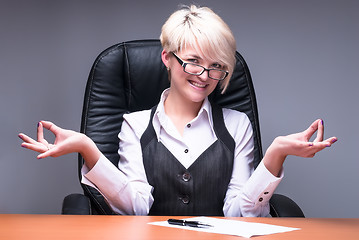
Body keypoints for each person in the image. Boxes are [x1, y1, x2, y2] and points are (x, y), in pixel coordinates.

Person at [18, 5, 337, 217]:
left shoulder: (237, 125)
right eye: (194, 61)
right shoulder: (135, 124)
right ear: (167, 58)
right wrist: (86, 147)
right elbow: (137, 209)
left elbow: (238, 213)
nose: (204, 76)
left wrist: (276, 155)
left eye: (217, 67)